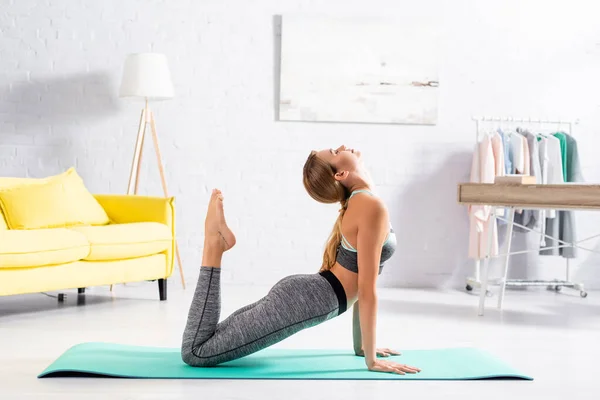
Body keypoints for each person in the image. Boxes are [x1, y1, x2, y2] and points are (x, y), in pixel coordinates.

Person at [181, 145, 421, 375]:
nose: (342, 146)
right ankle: (213, 245)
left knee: (207, 341)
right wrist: (372, 360)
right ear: (341, 173)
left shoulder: (364, 201)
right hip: (305, 300)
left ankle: (215, 243)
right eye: (336, 152)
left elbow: (362, 287)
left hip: (305, 295)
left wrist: (362, 348)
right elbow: (366, 291)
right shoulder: (368, 205)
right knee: (196, 352)